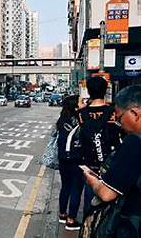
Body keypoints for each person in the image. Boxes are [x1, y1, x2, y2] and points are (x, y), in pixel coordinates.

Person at [83, 85, 141, 237]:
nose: (119, 124)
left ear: (135, 113)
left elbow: (107, 194)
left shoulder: (134, 143)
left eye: (119, 117)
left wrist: (93, 182)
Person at [78, 77, 121, 214]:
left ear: (89, 91)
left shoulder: (82, 114)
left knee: (90, 202)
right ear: (105, 90)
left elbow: (82, 136)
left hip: (90, 166)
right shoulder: (114, 111)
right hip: (112, 164)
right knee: (111, 205)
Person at [56, 95, 84, 230]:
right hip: (76, 159)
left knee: (65, 186)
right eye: (81, 102)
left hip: (63, 159)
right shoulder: (79, 120)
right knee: (76, 189)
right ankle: (71, 220)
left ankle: (62, 214)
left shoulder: (62, 120)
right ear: (75, 106)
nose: (83, 103)